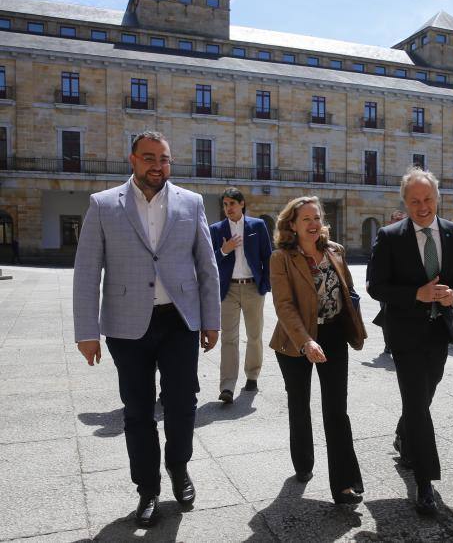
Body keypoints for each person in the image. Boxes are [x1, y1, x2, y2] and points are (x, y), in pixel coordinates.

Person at [73, 130, 220, 528]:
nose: (159, 166)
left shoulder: (191, 202)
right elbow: (87, 272)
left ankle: (179, 468)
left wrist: (211, 320)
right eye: (150, 158)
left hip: (179, 319)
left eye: (165, 159)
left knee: (182, 403)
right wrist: (86, 332)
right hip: (126, 325)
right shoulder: (103, 205)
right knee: (137, 411)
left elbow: (207, 265)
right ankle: (147, 488)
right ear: (133, 160)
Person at [367, 168, 453, 515]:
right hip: (406, 334)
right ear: (405, 202)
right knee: (416, 401)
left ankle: (403, 434)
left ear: (437, 198)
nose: (422, 206)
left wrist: (452, 294)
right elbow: (375, 286)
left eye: (427, 199)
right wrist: (417, 293)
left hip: (439, 332)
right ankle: (424, 482)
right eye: (415, 201)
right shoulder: (390, 235)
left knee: (422, 397)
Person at [269, 196, 367, 505]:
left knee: (337, 410)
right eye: (306, 219)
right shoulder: (282, 258)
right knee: (300, 404)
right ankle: (303, 462)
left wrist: (353, 318)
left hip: (333, 334)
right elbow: (284, 305)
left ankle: (345, 484)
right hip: (295, 340)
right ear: (292, 225)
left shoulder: (334, 251)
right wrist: (306, 340)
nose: (313, 224)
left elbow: (348, 289)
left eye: (317, 218)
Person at [209, 187, 272, 404]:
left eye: (232, 204)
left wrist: (265, 284)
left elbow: (267, 257)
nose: (228, 208)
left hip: (253, 288)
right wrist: (224, 249)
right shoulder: (216, 230)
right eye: (225, 204)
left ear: (242, 204)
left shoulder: (257, 225)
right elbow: (210, 262)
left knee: (254, 335)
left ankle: (252, 376)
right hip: (228, 290)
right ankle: (227, 386)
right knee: (229, 338)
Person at [379, 209, 407, 355]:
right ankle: (388, 344)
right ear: (390, 222)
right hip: (386, 287)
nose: (398, 225)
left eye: (401, 221)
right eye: (396, 221)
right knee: (386, 317)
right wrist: (370, 281)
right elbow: (373, 262)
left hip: (404, 287)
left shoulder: (412, 240)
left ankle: (400, 343)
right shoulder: (384, 237)